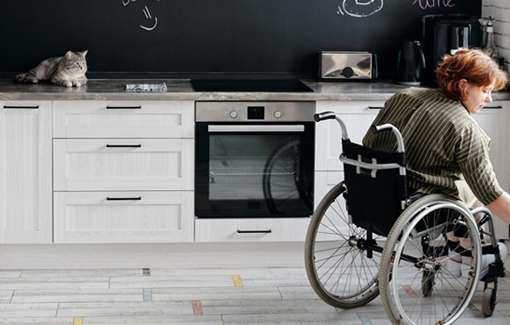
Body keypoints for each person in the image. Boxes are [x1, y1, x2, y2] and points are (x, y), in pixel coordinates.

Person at [362, 48, 510, 225]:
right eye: (485, 91)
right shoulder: (466, 129)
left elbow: (368, 142)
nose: (489, 99)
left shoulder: (403, 96)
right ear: (463, 85)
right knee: (473, 194)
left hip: (374, 191)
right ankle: (466, 242)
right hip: (419, 207)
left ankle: (459, 239)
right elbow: (491, 194)